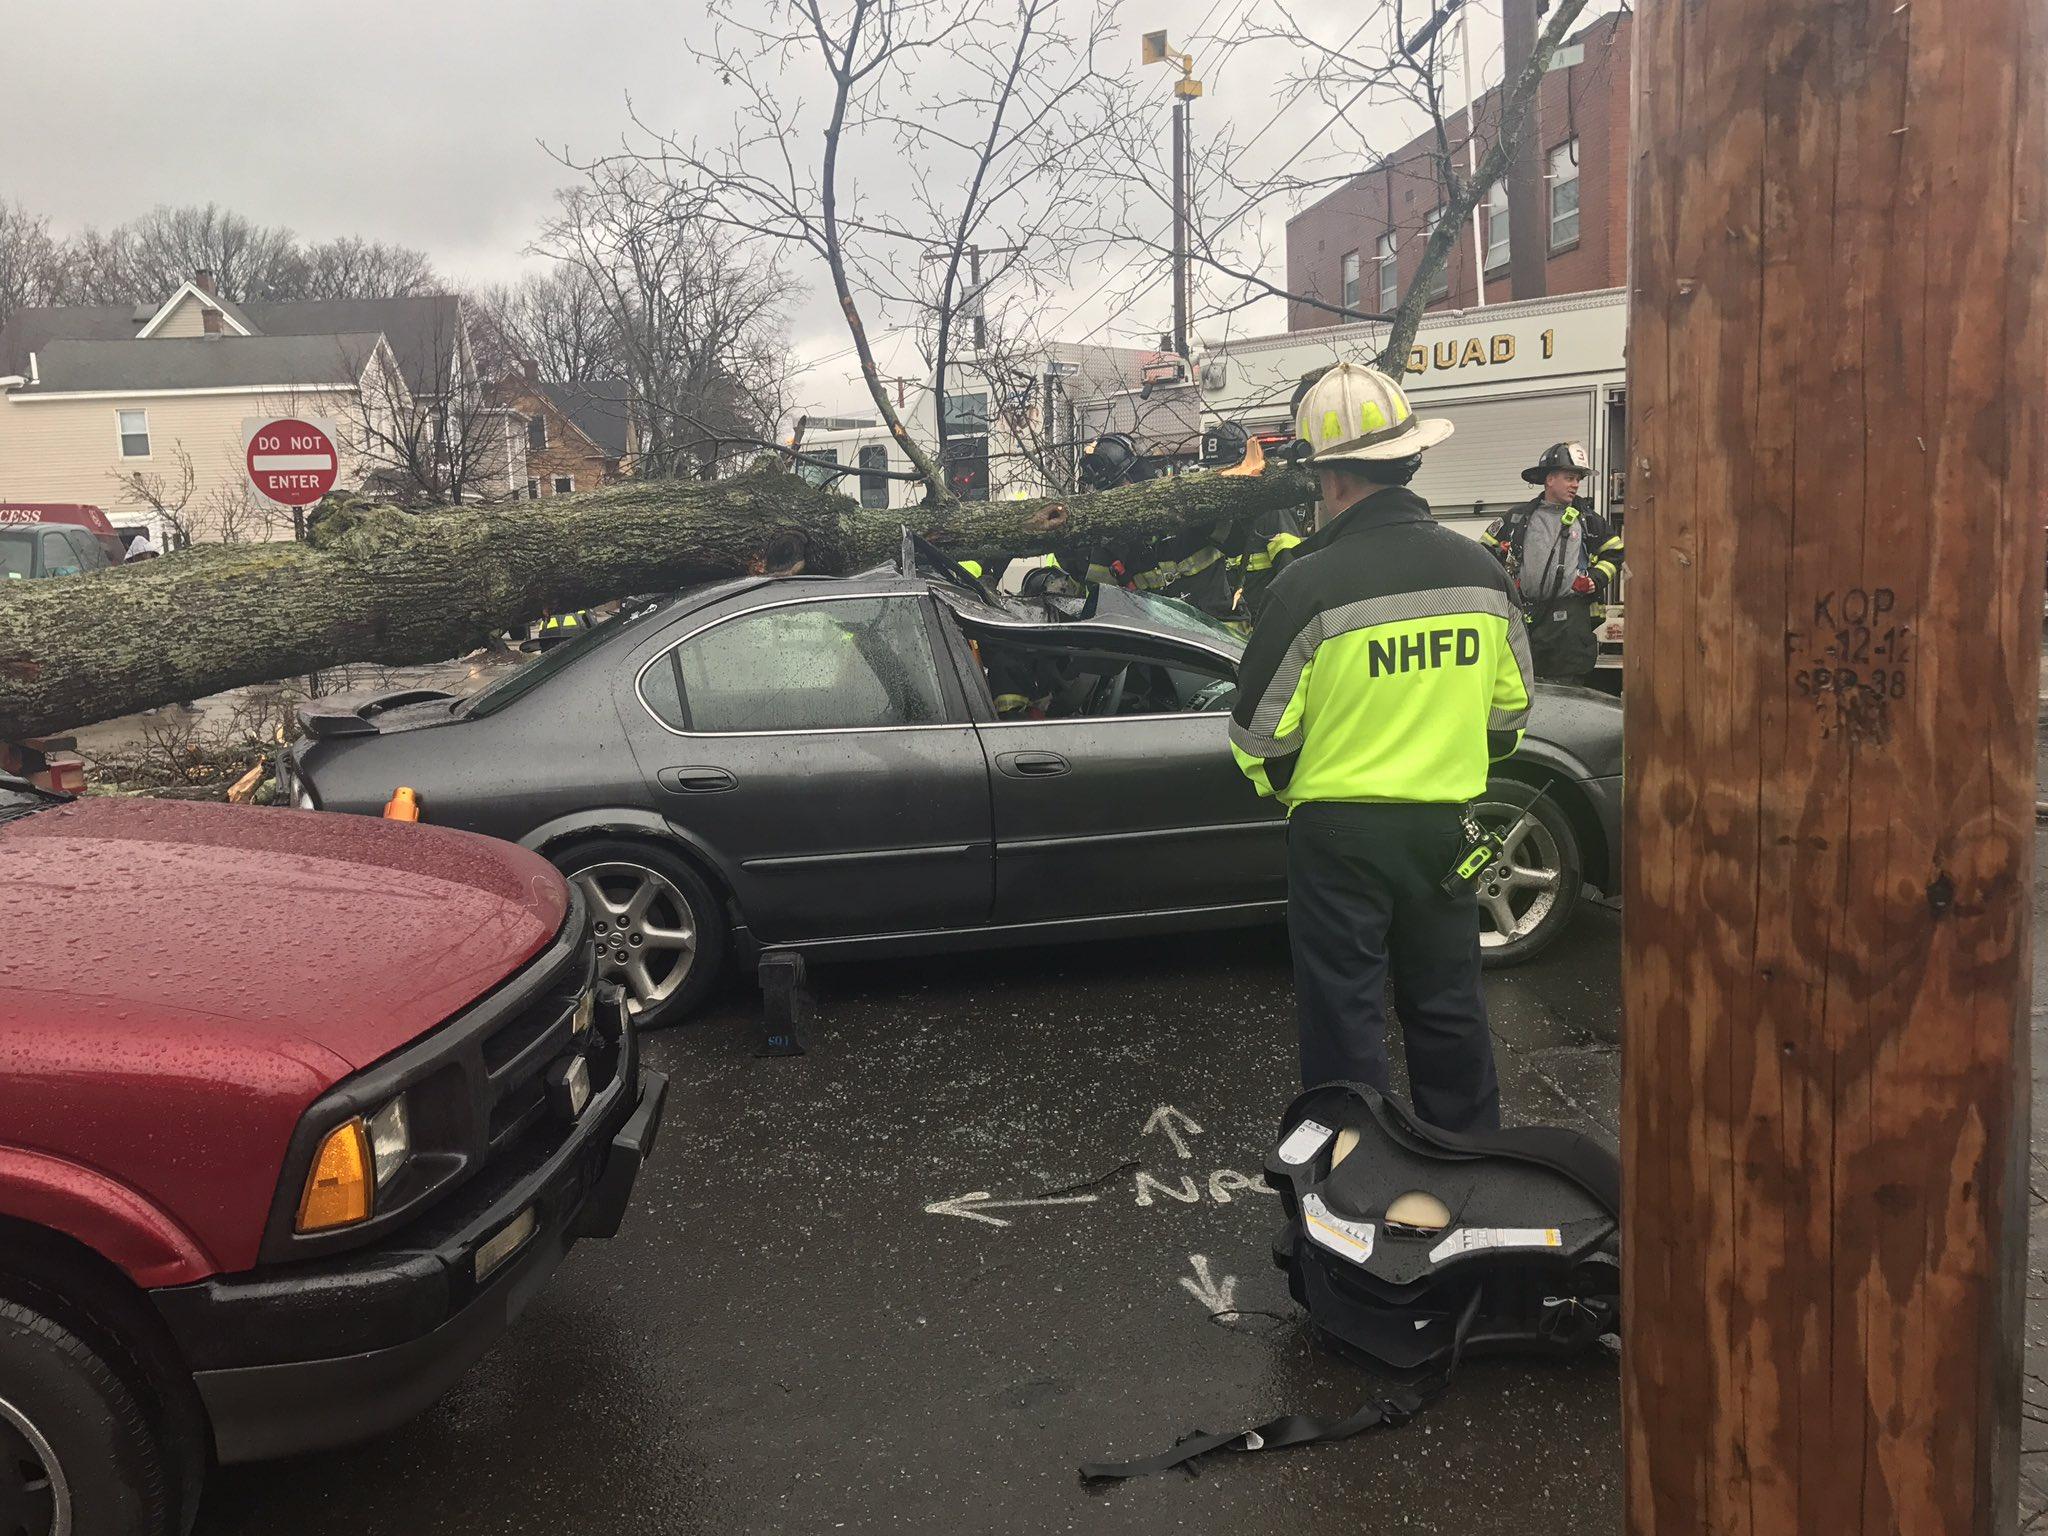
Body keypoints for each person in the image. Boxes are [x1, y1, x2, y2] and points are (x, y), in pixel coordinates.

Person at [1230, 362, 1534, 1134]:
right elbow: (1513, 712)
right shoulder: (1481, 570)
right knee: (1450, 1011)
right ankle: (1470, 1177)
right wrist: (1445, 761)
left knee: (1345, 1026)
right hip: (1445, 826)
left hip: (1338, 835)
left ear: (1331, 477)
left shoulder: (1306, 584)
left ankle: (1349, 1195)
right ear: (1410, 460)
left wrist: (1304, 784)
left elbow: (1257, 737)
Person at [1480, 442, 1623, 688]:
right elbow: (1483, 552)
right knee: (1523, 689)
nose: (1576, 485)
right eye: (1569, 478)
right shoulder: (1518, 518)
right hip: (1526, 622)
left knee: (1569, 696)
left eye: (1578, 479)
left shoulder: (1588, 521)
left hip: (1570, 630)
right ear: (1549, 479)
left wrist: (1596, 579)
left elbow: (1615, 552)